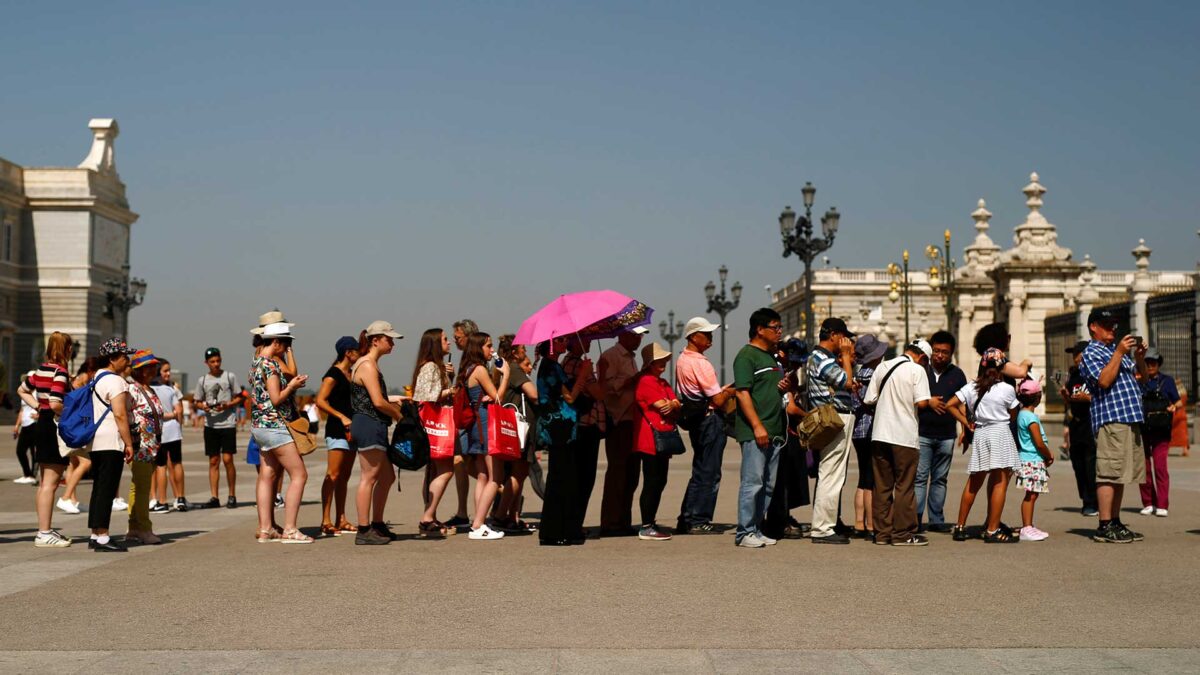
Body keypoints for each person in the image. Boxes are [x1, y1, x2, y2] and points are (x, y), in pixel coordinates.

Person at [1080, 309, 1148, 544]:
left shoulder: (1114, 351)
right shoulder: (1091, 352)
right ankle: (1104, 524)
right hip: (1111, 418)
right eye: (1106, 325)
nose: (1112, 329)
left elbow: (1144, 380)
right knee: (1109, 472)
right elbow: (1104, 380)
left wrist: (1138, 357)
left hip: (1129, 417)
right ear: (1093, 327)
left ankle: (1115, 521)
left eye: (1114, 325)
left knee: (1120, 474)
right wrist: (1119, 352)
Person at [863, 340, 933, 546]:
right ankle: (902, 533)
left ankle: (882, 533)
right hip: (904, 436)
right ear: (923, 357)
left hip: (879, 434)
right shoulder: (916, 370)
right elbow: (922, 403)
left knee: (882, 486)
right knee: (904, 486)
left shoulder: (882, 367)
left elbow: (869, 399)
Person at [948, 348, 1021, 544]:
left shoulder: (972, 387)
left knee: (974, 481)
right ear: (1002, 366)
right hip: (999, 432)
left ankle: (960, 527)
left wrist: (966, 421)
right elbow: (1014, 413)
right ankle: (992, 529)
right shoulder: (1006, 389)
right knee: (999, 481)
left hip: (980, 433)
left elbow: (950, 404)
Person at [248, 322, 311, 544]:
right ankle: (291, 530)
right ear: (275, 342)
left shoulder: (256, 362)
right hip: (275, 426)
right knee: (299, 475)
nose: (285, 349)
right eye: (285, 345)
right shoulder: (271, 366)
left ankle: (266, 529)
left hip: (259, 426)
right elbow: (276, 398)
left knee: (267, 475)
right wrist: (292, 386)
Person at [674, 317, 734, 535]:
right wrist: (730, 390)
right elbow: (718, 400)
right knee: (709, 472)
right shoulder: (700, 362)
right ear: (693, 336)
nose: (710, 338)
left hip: (697, 419)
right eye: (706, 334)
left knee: (699, 470)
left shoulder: (682, 360)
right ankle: (699, 520)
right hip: (710, 420)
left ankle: (687, 517)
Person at [732, 308, 785, 549]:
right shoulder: (746, 356)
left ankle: (756, 528)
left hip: (775, 429)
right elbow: (742, 393)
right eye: (775, 327)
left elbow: (771, 389)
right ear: (759, 330)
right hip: (757, 430)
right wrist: (757, 426)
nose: (779, 331)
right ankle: (744, 532)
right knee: (752, 482)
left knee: (768, 484)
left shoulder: (771, 357)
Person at [349, 321, 405, 545]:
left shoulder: (369, 364)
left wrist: (397, 402)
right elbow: (378, 402)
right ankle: (364, 529)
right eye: (389, 339)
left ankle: (378, 524)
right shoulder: (367, 365)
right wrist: (399, 415)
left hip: (372, 423)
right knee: (368, 478)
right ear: (375, 340)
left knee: (387, 477)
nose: (392, 343)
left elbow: (377, 398)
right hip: (369, 423)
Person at [805, 317, 858, 545]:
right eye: (844, 337)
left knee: (831, 471)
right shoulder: (823, 358)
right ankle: (823, 528)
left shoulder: (818, 358)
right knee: (832, 472)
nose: (846, 342)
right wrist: (846, 357)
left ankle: (826, 524)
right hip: (836, 416)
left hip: (831, 416)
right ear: (835, 335)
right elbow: (846, 382)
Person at [457, 331, 511, 540]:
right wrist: (505, 374)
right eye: (488, 346)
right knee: (495, 477)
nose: (491, 349)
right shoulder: (479, 369)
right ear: (479, 347)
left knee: (482, 476)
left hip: (474, 427)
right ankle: (479, 524)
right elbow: (498, 398)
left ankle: (478, 522)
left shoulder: (468, 369)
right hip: (485, 425)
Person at [87, 338, 138, 552]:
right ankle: (103, 537)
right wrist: (129, 443)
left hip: (95, 440)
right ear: (112, 358)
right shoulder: (116, 381)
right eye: (124, 356)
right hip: (110, 440)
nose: (127, 360)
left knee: (99, 488)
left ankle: (95, 533)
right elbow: (119, 414)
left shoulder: (96, 379)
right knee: (107, 489)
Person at [915, 330, 968, 533]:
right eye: (936, 351)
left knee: (940, 479)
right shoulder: (920, 371)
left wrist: (965, 429)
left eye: (944, 352)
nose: (939, 355)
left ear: (951, 353)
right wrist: (929, 402)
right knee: (919, 478)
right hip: (922, 433)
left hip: (947, 435)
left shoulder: (957, 374)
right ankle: (916, 519)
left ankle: (936, 519)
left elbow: (963, 404)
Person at [598, 325, 647, 537]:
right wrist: (632, 380)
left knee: (632, 474)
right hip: (618, 421)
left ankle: (623, 519)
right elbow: (608, 388)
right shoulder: (610, 356)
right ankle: (611, 521)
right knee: (618, 472)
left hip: (632, 421)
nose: (638, 340)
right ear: (623, 335)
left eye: (640, 336)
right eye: (635, 335)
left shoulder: (630, 358)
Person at [632, 343, 680, 541]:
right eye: (658, 360)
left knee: (660, 480)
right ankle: (646, 525)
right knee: (652, 481)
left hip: (661, 436)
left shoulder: (662, 383)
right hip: (649, 438)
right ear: (649, 363)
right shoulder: (646, 381)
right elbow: (663, 406)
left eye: (663, 360)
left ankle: (650, 521)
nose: (662, 363)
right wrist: (672, 404)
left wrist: (673, 404)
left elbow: (676, 404)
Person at [31, 332, 74, 548]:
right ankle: (44, 532)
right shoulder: (60, 371)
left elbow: (23, 389)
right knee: (51, 483)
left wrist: (38, 405)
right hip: (54, 425)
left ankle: (44, 529)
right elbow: (57, 401)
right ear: (66, 349)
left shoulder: (41, 369)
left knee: (44, 482)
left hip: (42, 423)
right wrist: (71, 413)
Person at [560, 335, 605, 541]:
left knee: (579, 476)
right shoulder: (577, 364)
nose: (588, 343)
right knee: (584, 477)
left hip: (581, 425)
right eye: (583, 339)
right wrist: (595, 375)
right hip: (585, 425)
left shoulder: (568, 363)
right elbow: (597, 393)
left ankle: (574, 522)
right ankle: (575, 523)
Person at [412, 328, 455, 537]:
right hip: (435, 425)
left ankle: (430, 515)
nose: (449, 343)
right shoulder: (430, 367)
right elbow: (426, 396)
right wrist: (450, 391)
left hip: (430, 425)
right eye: (445, 340)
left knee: (433, 472)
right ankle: (428, 516)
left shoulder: (431, 366)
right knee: (446, 470)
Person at [494, 335, 539, 533]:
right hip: (521, 429)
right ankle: (500, 515)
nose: (525, 352)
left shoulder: (504, 369)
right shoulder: (514, 369)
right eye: (522, 349)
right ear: (514, 352)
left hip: (513, 427)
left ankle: (512, 516)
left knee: (517, 474)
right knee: (518, 473)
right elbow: (533, 393)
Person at [317, 336, 360, 537]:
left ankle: (341, 518)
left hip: (352, 430)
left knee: (345, 477)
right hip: (337, 429)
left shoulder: (352, 373)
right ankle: (325, 520)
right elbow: (321, 401)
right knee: (332, 475)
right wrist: (341, 416)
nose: (359, 353)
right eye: (356, 350)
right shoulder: (333, 374)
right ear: (348, 352)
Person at [194, 347, 243, 508]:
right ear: (206, 363)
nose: (215, 364)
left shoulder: (229, 376)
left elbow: (239, 397)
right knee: (214, 460)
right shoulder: (202, 380)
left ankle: (232, 494)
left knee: (228, 459)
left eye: (218, 361)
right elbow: (197, 400)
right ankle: (214, 496)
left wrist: (228, 404)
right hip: (211, 424)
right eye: (212, 361)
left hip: (228, 422)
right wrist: (203, 406)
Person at [849, 335, 888, 539]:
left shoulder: (857, 375)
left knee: (863, 478)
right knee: (872, 479)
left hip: (857, 431)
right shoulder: (875, 376)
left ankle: (858, 522)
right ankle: (872, 524)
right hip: (872, 429)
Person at [126, 350, 164, 545]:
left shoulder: (148, 388)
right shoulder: (132, 389)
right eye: (150, 366)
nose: (154, 369)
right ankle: (145, 529)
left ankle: (133, 527)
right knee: (143, 489)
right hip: (140, 445)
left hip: (151, 446)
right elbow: (124, 415)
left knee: (137, 487)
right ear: (140, 370)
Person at [1138, 348, 1179, 518]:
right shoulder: (1139, 382)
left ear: (1158, 364)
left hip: (1161, 430)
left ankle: (1162, 504)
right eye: (1147, 363)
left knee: (1160, 467)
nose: (1150, 366)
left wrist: (1174, 406)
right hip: (1143, 429)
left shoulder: (1167, 381)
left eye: (1153, 362)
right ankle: (1148, 502)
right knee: (1144, 468)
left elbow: (1178, 401)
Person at [58, 357, 100, 514]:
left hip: (76, 428)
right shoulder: (77, 384)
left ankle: (72, 500)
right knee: (86, 463)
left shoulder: (83, 384)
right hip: (74, 428)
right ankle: (65, 497)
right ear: (90, 372)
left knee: (73, 464)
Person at [1060, 341, 1098, 516]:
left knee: (1091, 465)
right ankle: (1085, 500)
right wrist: (1066, 397)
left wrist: (1087, 397)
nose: (1076, 358)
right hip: (1075, 424)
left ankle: (1094, 501)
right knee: (1078, 465)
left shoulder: (1094, 373)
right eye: (1074, 354)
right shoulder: (1073, 375)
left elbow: (1102, 398)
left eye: (1078, 353)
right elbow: (1069, 404)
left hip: (1090, 424)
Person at [1014, 379, 1053, 541]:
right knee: (1031, 495)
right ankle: (1027, 527)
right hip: (1033, 460)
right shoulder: (1031, 418)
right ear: (1038, 397)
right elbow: (1038, 442)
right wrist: (1048, 454)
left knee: (1032, 494)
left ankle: (1028, 525)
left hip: (1027, 459)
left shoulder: (1021, 414)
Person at [150, 359, 187, 513]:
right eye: (165, 370)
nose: (168, 373)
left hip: (160, 431)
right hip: (174, 430)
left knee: (160, 466)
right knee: (177, 463)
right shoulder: (171, 390)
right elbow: (179, 411)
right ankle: (180, 498)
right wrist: (174, 417)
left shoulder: (149, 390)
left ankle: (162, 500)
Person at [13, 371, 39, 485]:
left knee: (34, 452)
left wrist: (39, 415)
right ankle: (27, 474)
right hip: (25, 425)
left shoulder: (38, 393)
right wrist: (16, 425)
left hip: (35, 424)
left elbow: (47, 405)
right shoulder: (25, 393)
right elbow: (22, 410)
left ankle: (32, 476)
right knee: (20, 451)